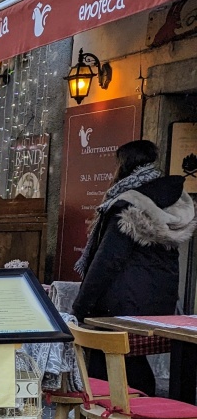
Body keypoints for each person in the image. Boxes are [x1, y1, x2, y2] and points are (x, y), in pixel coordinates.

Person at [73, 139, 197, 395]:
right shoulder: (168, 200)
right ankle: (132, 403)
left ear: (124, 165)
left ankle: (124, 405)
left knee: (107, 354)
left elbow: (107, 260)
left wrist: (81, 304)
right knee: (129, 358)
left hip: (122, 301)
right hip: (156, 299)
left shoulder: (128, 204)